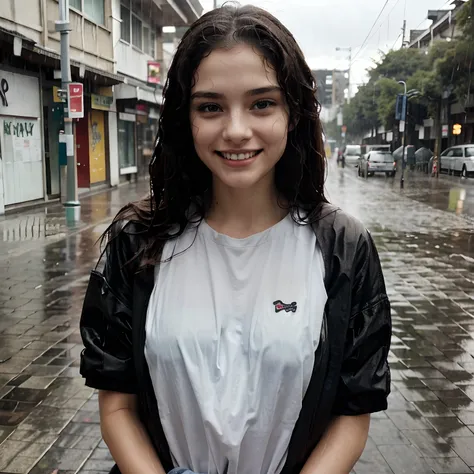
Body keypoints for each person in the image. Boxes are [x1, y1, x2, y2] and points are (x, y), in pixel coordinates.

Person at [80, 4, 391, 474]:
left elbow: (353, 412)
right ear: (187, 119)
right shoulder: (136, 243)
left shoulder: (344, 248)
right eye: (211, 107)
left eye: (262, 103)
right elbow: (117, 408)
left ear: (293, 113)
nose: (237, 130)